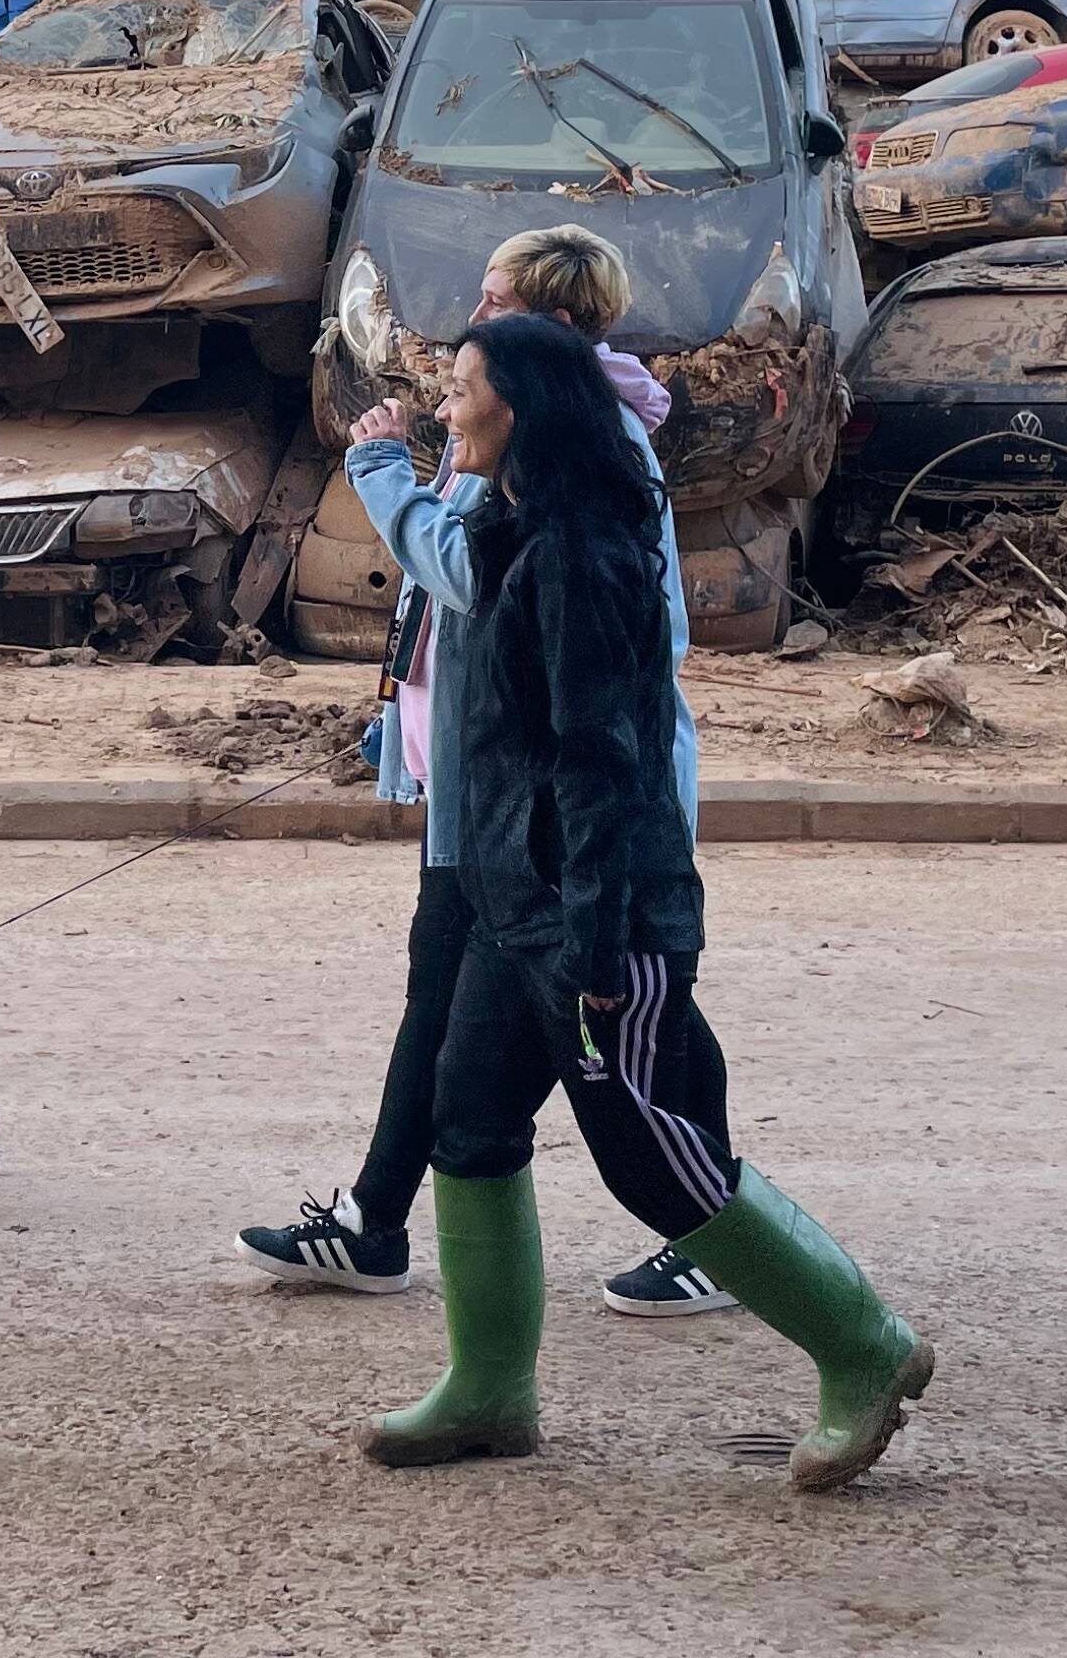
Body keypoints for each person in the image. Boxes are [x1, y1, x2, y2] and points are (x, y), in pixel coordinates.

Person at [358, 315, 933, 1491]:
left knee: (653, 1161)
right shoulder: (514, 525)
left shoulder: (585, 551)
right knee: (467, 1124)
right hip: (515, 898)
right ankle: (489, 1392)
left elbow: (605, 761)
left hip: (596, 914)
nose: (444, 409)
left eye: (460, 391)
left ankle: (865, 1351)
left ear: (518, 406)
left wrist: (602, 941)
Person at [235, 227, 726, 1315]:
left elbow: (484, 594)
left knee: (645, 1036)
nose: (473, 324)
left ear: (548, 328)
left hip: (557, 821)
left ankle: (728, 1237)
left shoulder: (591, 458)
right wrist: (406, 728)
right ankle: (385, 1230)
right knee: (453, 1032)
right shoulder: (509, 442)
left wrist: (378, 475)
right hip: (489, 801)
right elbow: (459, 611)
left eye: (496, 304)